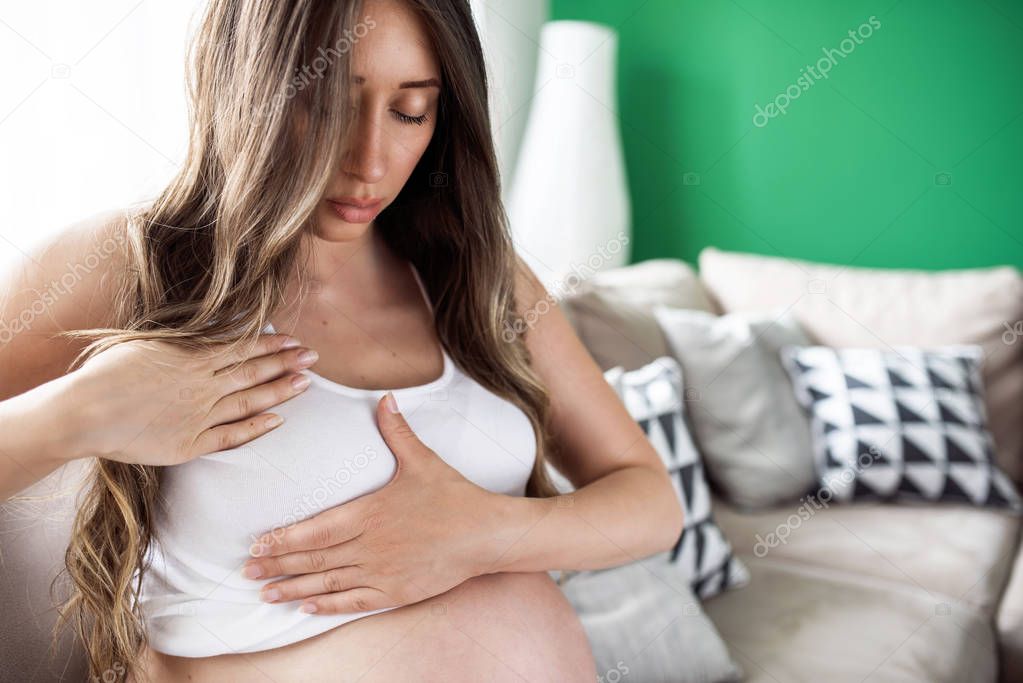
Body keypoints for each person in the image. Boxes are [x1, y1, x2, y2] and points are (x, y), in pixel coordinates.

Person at [0, 0, 685, 680]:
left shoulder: (477, 274)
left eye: (410, 111)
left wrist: (477, 532)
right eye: (326, 104)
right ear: (248, 85)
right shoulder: (136, 263)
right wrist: (81, 410)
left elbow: (649, 501)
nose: (368, 163)